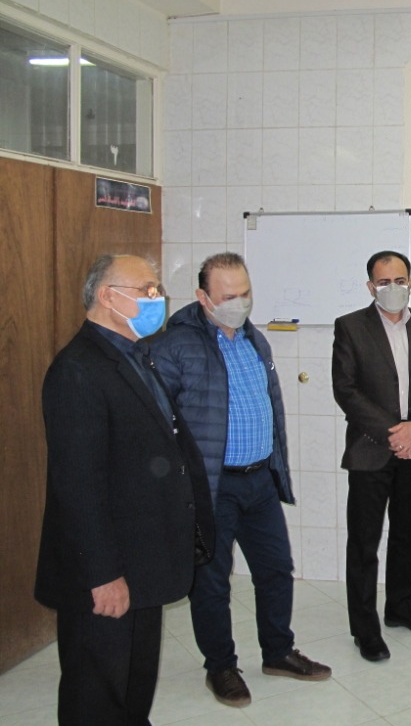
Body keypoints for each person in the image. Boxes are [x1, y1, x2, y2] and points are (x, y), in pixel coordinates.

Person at [35, 254, 215, 725]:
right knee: (96, 693)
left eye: (158, 289)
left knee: (134, 684)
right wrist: (103, 576)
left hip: (143, 561)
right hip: (106, 569)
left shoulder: (135, 354)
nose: (158, 299)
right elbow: (78, 486)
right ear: (107, 296)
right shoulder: (78, 370)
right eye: (147, 290)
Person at [152, 252, 331, 708]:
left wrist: (276, 467)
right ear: (203, 297)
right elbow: (157, 420)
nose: (240, 302)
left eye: (245, 293)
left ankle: (278, 652)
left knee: (276, 569)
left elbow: (268, 406)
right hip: (213, 487)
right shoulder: (177, 345)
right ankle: (221, 667)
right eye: (228, 295)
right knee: (212, 581)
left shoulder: (254, 338)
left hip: (260, 479)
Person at [332, 250, 411, 662]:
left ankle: (401, 608)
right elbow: (346, 390)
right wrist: (393, 434)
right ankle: (365, 629)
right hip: (371, 449)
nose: (393, 288)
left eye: (400, 280)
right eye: (384, 282)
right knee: (364, 543)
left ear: (410, 282)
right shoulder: (350, 326)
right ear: (371, 287)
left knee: (407, 534)